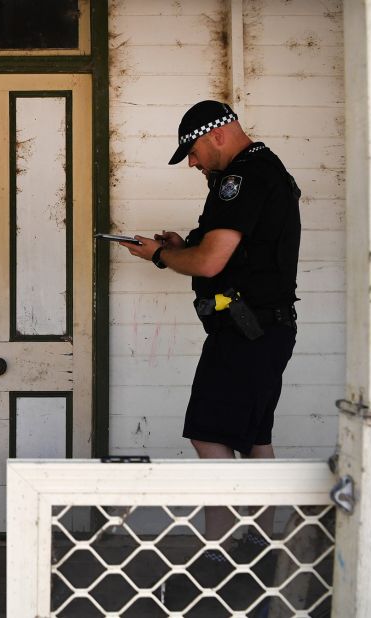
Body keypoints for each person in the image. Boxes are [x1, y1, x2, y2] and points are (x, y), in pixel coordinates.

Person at [121, 100, 301, 544]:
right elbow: (235, 251)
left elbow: (210, 262)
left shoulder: (240, 178)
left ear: (217, 134)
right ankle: (260, 547)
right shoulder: (264, 170)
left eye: (194, 151)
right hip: (264, 329)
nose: (194, 163)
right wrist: (183, 245)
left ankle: (221, 550)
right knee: (254, 438)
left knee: (208, 433)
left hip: (245, 330)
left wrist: (161, 255)